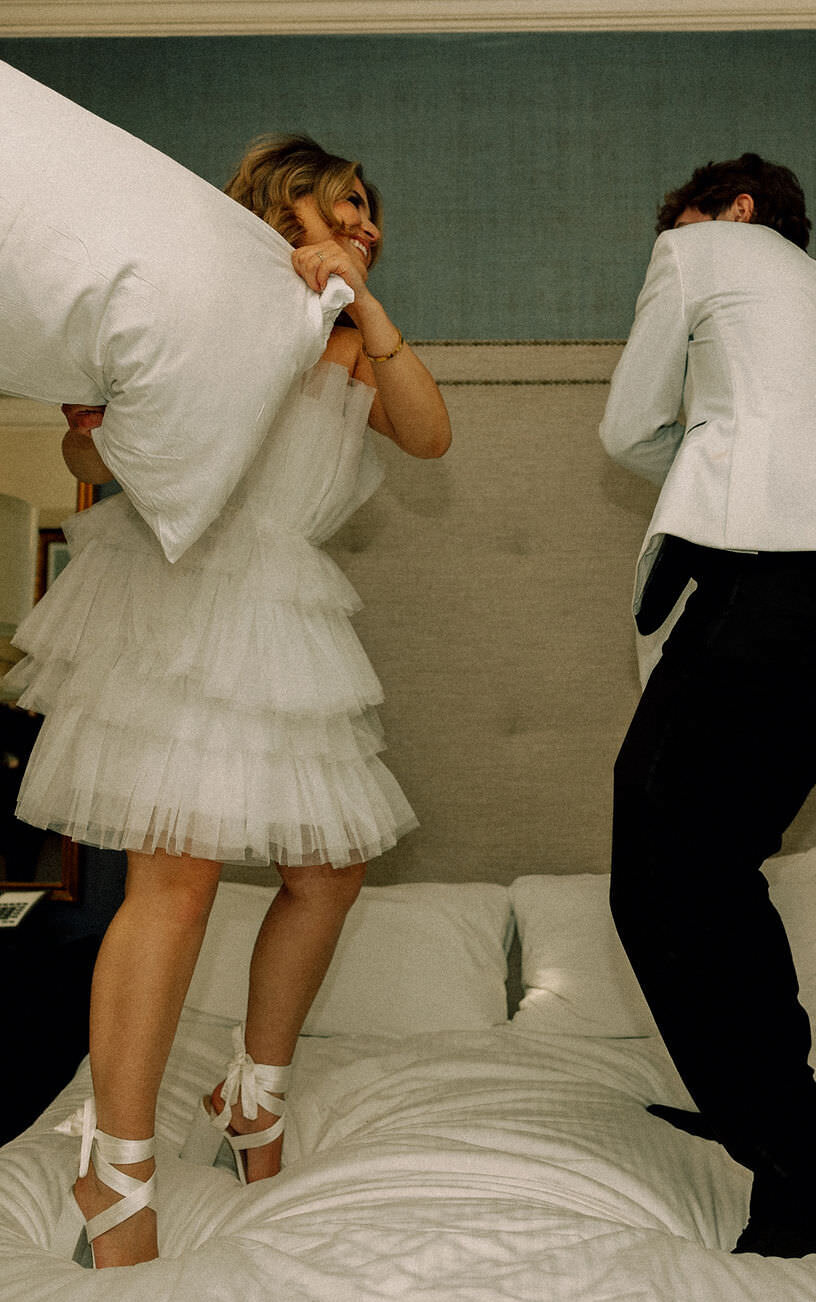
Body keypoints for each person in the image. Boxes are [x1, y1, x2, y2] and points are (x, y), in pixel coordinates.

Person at [9, 133, 451, 1269]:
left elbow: (430, 431)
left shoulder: (353, 343)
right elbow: (92, 466)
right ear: (283, 203)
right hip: (180, 590)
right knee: (179, 875)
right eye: (344, 204)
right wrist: (85, 436)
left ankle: (252, 1095)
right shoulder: (194, 305)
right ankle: (116, 1167)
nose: (367, 222)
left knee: (330, 868)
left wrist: (360, 297)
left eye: (373, 211)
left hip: (279, 608)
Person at [599, 152, 816, 1257]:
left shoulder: (701, 251)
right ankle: (759, 1106)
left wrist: (699, 446)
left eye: (689, 216)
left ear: (736, 211)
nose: (678, 233)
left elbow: (626, 430)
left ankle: (802, 1176)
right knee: (716, 869)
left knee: (658, 875)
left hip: (772, 591)